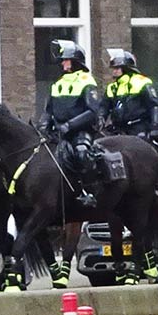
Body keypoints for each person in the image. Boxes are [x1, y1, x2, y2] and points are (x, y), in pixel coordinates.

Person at [42, 41, 105, 208]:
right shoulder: (58, 83)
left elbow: (92, 112)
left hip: (80, 131)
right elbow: (48, 110)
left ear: (75, 61)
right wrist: (43, 125)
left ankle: (90, 192)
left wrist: (69, 125)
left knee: (82, 154)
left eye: (66, 60)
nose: (62, 63)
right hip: (58, 131)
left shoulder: (87, 81)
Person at [104, 48, 158, 186]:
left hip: (138, 126)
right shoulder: (112, 87)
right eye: (114, 68)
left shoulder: (142, 82)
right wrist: (101, 118)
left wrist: (155, 126)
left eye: (117, 68)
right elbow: (104, 107)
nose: (114, 71)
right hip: (118, 128)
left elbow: (154, 105)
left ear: (126, 68)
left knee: (147, 149)